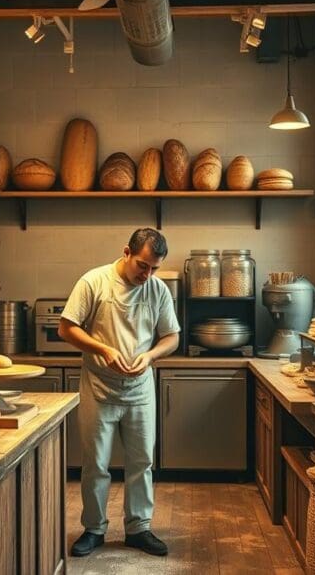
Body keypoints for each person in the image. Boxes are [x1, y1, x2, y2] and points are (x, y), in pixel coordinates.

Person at [59, 228, 180, 557]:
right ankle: (94, 529)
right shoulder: (94, 282)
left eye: (154, 268)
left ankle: (138, 529)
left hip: (140, 389)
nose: (148, 274)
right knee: (95, 463)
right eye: (143, 265)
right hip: (99, 386)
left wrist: (151, 355)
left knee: (142, 462)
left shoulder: (157, 289)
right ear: (126, 252)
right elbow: (66, 328)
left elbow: (172, 337)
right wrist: (103, 349)